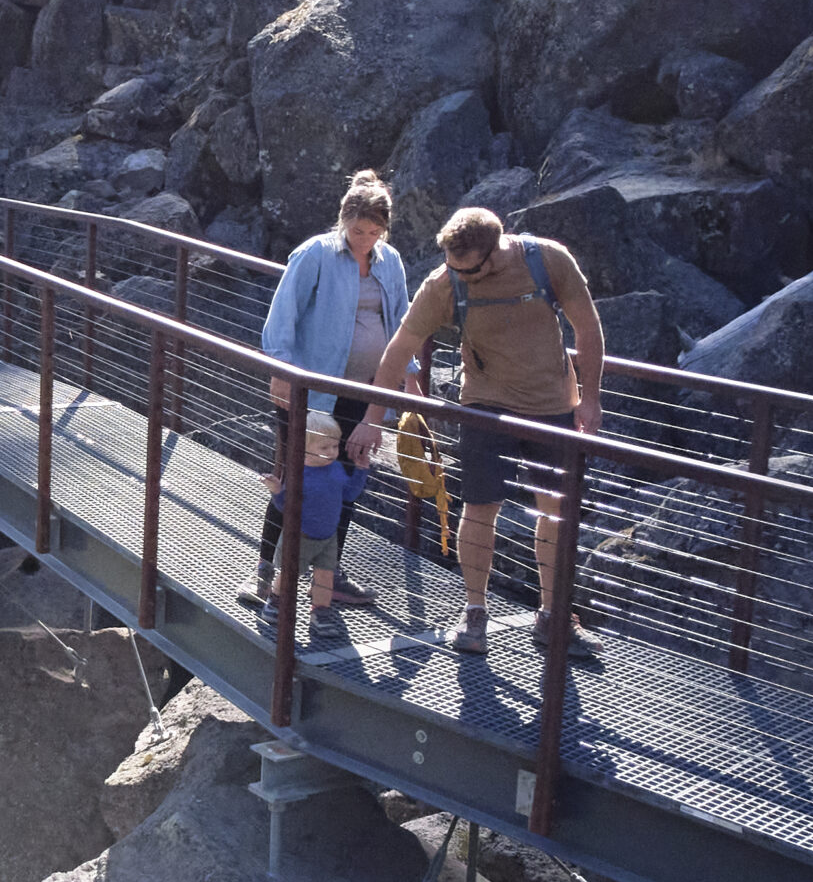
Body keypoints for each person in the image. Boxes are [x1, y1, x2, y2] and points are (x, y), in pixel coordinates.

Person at [369, 206, 607, 658]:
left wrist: (591, 398)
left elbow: (587, 326)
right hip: (484, 409)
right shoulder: (445, 282)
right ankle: (474, 611)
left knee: (555, 511)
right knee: (479, 508)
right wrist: (370, 419)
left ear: (495, 252)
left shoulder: (547, 260)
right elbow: (398, 348)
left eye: (468, 270)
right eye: (453, 267)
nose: (459, 276)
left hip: (553, 407)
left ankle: (555, 616)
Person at [244, 172, 411, 610]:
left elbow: (402, 322)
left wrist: (408, 376)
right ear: (344, 222)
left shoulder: (389, 260)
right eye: (358, 231)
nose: (365, 240)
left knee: (345, 479)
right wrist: (281, 370)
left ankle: (328, 576)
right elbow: (283, 314)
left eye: (374, 233)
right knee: (295, 479)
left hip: (364, 393)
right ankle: (264, 574)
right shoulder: (315, 254)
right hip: (311, 392)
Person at [262, 409, 371, 641]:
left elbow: (349, 494)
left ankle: (320, 612)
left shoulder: (336, 469)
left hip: (328, 538)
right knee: (289, 574)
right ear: (304, 449)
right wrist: (277, 492)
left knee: (325, 576)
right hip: (299, 536)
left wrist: (361, 471)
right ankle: (276, 599)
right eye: (324, 448)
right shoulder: (300, 475)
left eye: (334, 446)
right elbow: (285, 507)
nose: (332, 452)